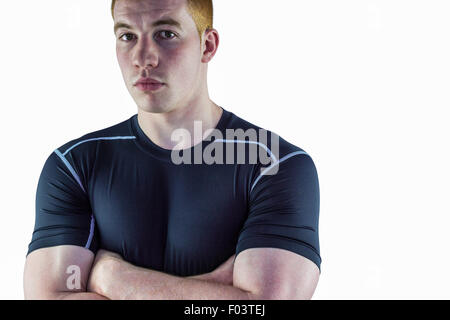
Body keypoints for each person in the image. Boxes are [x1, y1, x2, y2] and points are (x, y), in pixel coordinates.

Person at [23, 0, 322, 300]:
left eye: (165, 34)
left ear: (207, 46)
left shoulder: (274, 163)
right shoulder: (75, 166)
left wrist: (114, 279)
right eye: (127, 36)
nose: (143, 58)